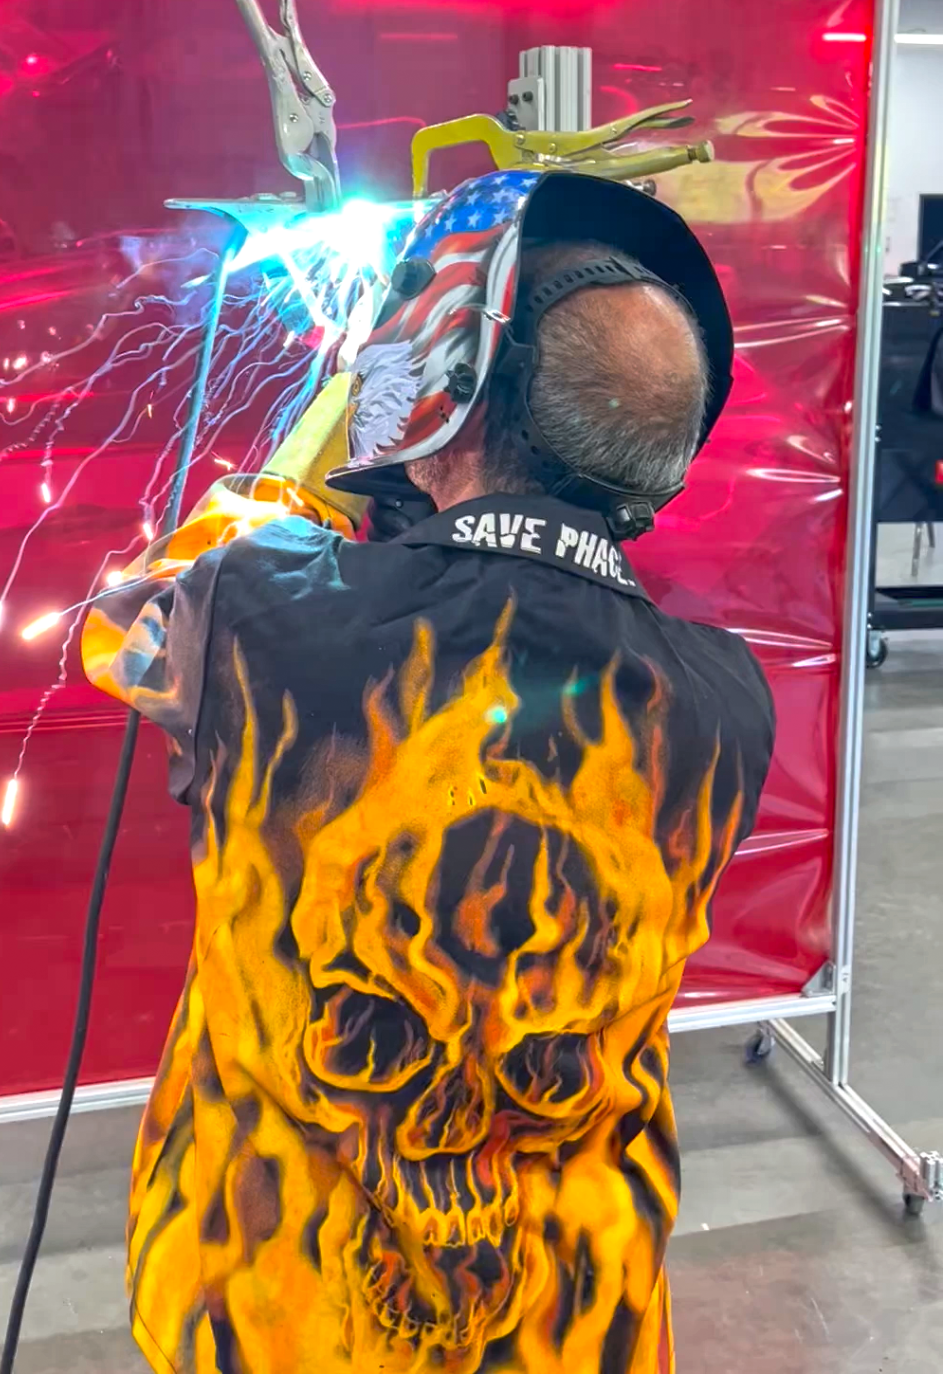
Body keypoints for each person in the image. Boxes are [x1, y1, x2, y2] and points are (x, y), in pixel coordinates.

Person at [82, 167, 775, 1374]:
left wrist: (339, 436)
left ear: (438, 382)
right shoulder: (726, 699)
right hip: (582, 1323)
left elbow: (120, 621)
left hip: (267, 1311)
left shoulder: (260, 610)